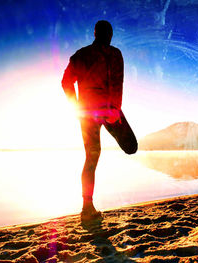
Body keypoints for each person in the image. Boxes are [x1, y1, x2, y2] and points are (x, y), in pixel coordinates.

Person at [61, 20, 138, 220]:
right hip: (93, 112)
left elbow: (117, 82)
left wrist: (114, 109)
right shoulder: (86, 55)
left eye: (109, 33)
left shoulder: (112, 54)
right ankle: (87, 207)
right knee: (93, 157)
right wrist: (78, 106)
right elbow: (66, 82)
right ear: (99, 33)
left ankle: (87, 206)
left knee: (128, 148)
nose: (108, 36)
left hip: (103, 111)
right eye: (107, 33)